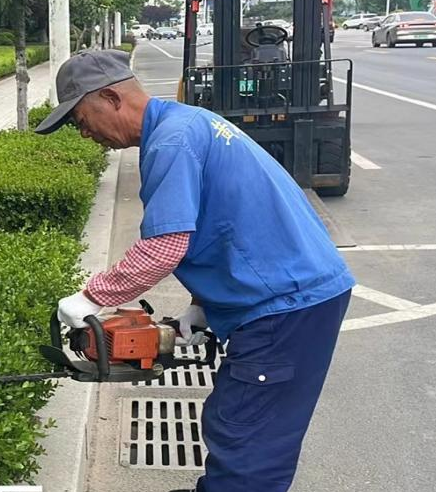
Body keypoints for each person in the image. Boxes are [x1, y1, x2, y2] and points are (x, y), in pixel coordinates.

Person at [37, 49, 355, 492]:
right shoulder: (188, 122)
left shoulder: (171, 141)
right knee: (245, 421)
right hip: (294, 295)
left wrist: (91, 297)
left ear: (110, 97)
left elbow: (165, 247)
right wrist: (201, 306)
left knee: (247, 435)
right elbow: (225, 221)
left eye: (80, 117)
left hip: (284, 307)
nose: (83, 131)